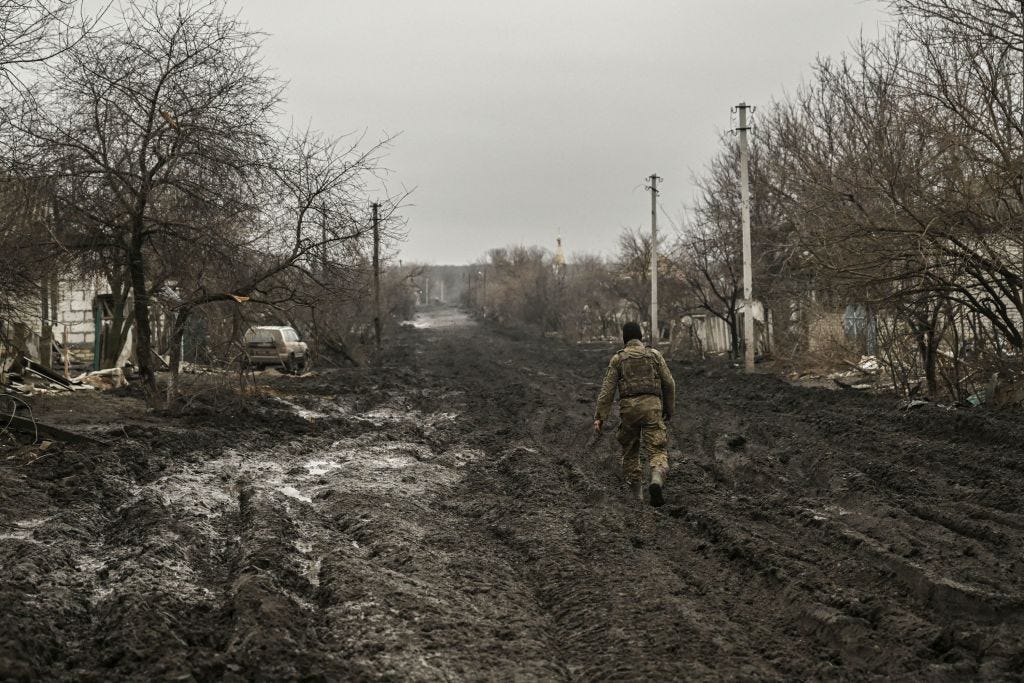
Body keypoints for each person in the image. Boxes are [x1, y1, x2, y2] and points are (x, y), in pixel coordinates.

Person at [593, 322, 676, 506]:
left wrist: (600, 417)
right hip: (652, 407)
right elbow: (669, 383)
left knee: (630, 451)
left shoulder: (618, 359)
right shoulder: (654, 355)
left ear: (624, 339)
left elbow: (607, 391)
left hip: (628, 410)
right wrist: (669, 409)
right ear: (641, 337)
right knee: (657, 449)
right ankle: (656, 479)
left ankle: (637, 497)